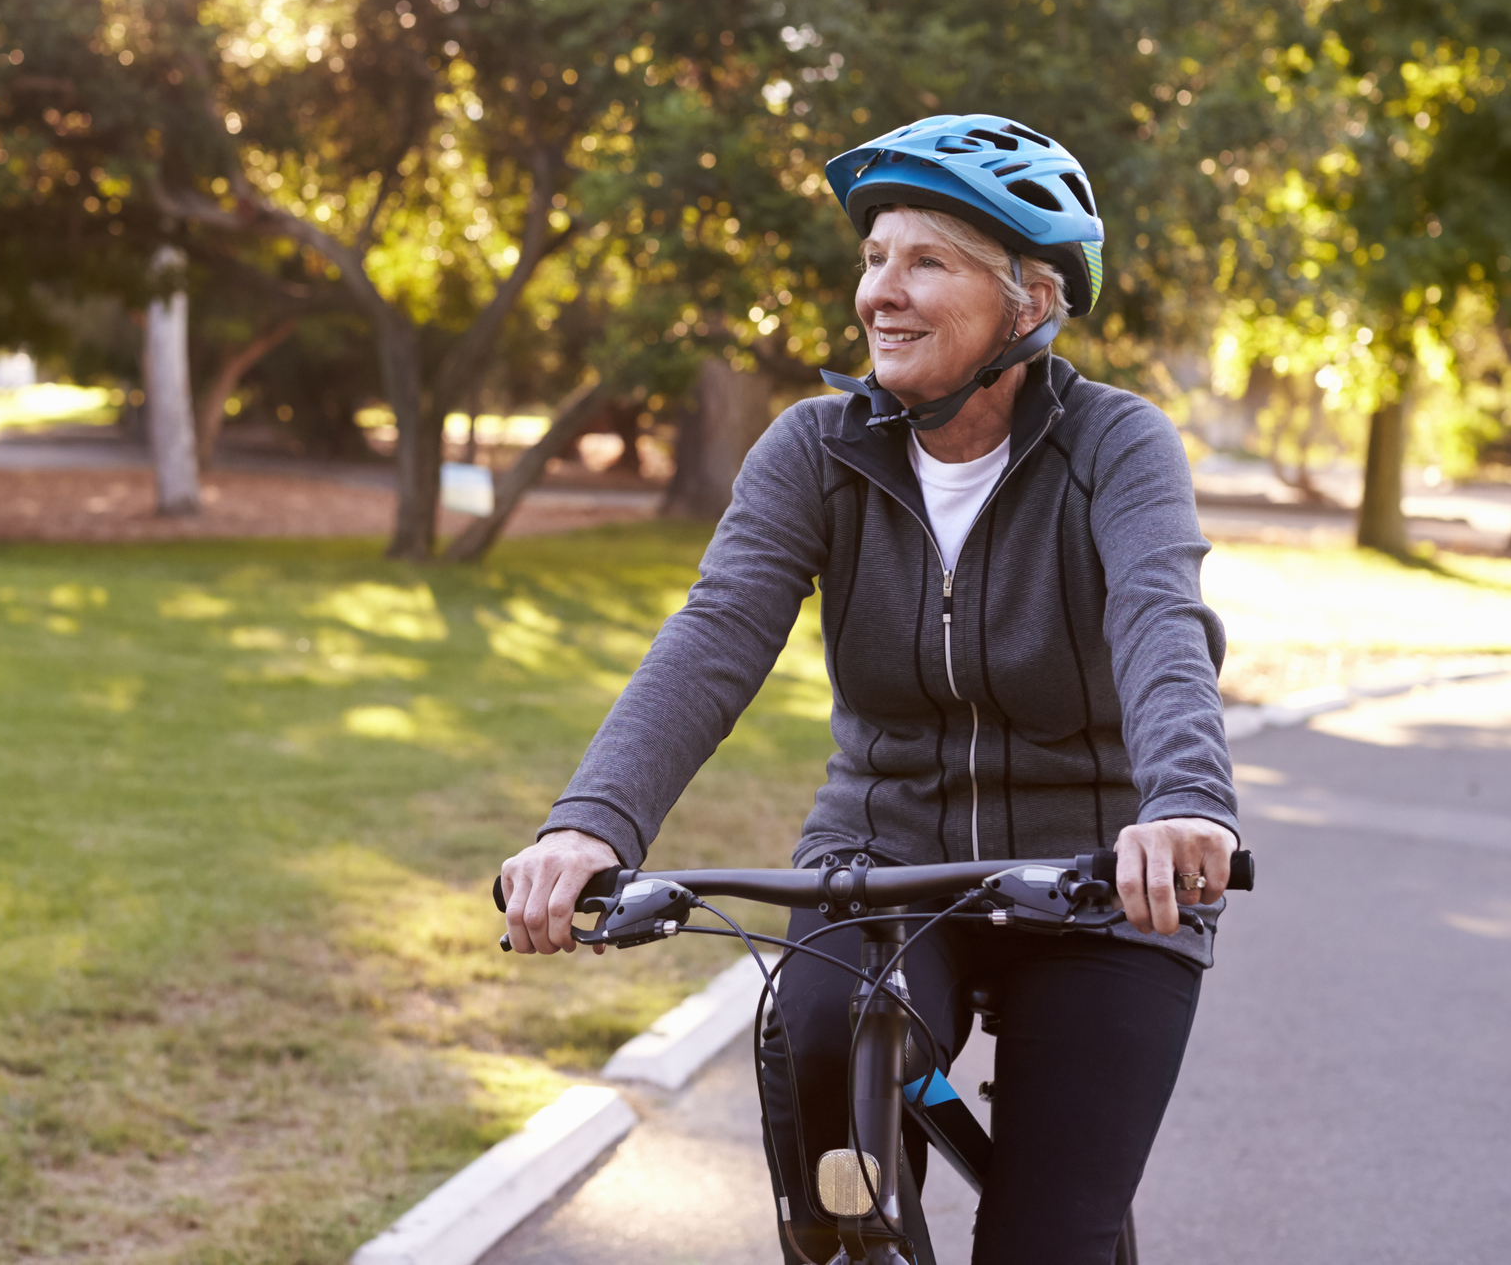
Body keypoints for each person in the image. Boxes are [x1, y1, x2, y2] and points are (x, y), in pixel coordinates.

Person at [498, 115, 1239, 1264]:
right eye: (874, 257)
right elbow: (717, 633)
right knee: (823, 1076)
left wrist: (1184, 800)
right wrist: (591, 823)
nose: (879, 294)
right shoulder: (817, 451)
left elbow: (1159, 615)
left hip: (1102, 872)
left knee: (1052, 1231)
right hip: (881, 858)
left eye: (925, 261)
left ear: (1030, 303)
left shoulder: (1116, 446)